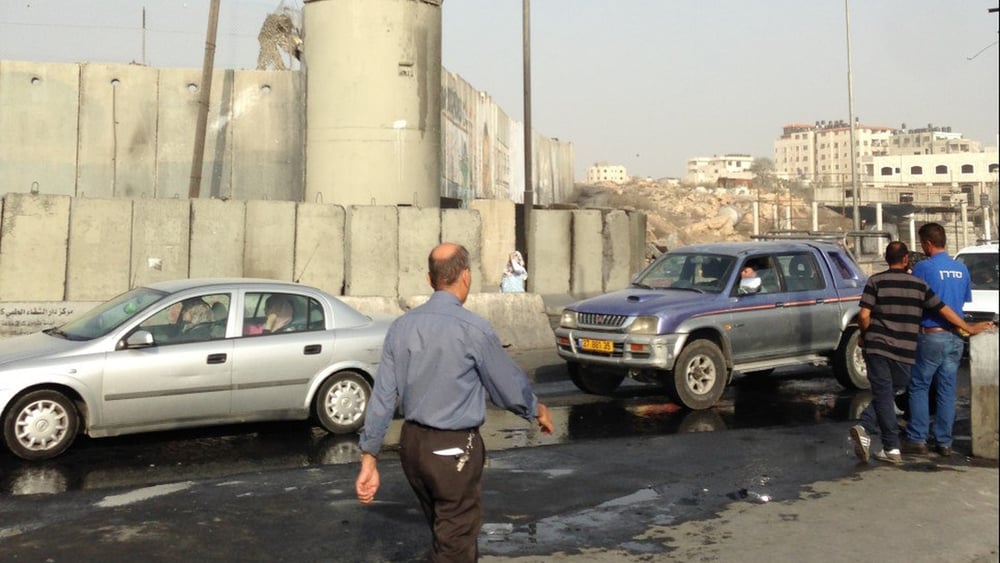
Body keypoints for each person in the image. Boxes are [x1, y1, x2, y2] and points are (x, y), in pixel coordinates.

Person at [356, 243, 554, 562]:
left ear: (429, 278)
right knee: (454, 546)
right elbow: (506, 385)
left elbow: (382, 396)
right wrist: (536, 409)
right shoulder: (473, 328)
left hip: (412, 447)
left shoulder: (401, 327)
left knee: (449, 533)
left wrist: (369, 458)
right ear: (466, 277)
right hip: (453, 448)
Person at [849, 241, 991, 465]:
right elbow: (944, 310)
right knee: (904, 389)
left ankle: (881, 436)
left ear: (887, 259)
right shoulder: (918, 285)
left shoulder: (875, 281)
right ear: (906, 259)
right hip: (904, 349)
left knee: (888, 391)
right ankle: (904, 444)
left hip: (877, 346)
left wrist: (865, 334)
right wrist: (969, 328)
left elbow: (864, 316)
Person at [903, 223, 992, 457]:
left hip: (931, 335)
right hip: (954, 337)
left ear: (928, 244)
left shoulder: (923, 268)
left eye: (923, 243)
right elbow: (962, 301)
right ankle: (944, 442)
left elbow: (916, 300)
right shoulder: (961, 269)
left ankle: (917, 437)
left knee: (919, 386)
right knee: (946, 389)